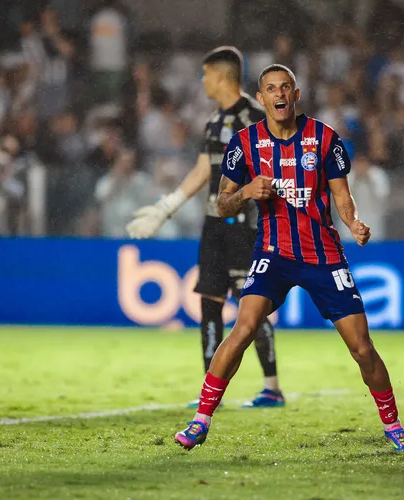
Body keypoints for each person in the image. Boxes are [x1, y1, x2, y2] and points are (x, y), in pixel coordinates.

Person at [173, 64, 404, 452]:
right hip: (273, 253)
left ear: (296, 94)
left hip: (323, 255)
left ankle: (393, 424)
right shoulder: (244, 142)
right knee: (244, 327)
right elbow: (221, 204)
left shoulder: (323, 137)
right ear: (262, 97)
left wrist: (352, 223)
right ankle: (201, 420)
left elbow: (341, 195)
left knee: (361, 347)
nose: (279, 94)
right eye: (271, 89)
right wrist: (247, 191)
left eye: (285, 87)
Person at [126, 47, 284, 409]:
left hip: (247, 225)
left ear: (221, 76)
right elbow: (202, 170)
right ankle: (209, 390)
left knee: (252, 307)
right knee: (209, 304)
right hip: (214, 225)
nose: (202, 81)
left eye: (206, 74)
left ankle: (272, 388)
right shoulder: (214, 120)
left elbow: (276, 164)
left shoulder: (255, 117)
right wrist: (166, 208)